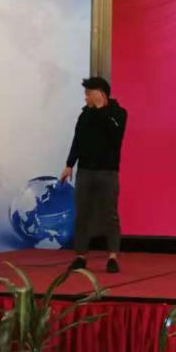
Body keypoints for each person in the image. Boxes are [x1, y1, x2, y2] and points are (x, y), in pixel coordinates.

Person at [61, 76, 128, 273]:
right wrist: (69, 164)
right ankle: (80, 256)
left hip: (108, 172)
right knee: (82, 214)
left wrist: (101, 109)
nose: (86, 98)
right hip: (85, 171)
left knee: (110, 215)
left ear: (100, 94)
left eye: (89, 94)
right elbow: (77, 141)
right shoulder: (84, 115)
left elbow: (116, 136)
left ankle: (112, 257)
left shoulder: (118, 113)